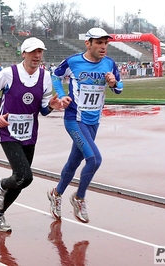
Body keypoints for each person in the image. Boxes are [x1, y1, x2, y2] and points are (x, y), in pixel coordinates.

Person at [0, 37, 64, 232]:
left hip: (29, 134)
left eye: (40, 52)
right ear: (23, 53)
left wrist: (51, 106)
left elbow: (43, 110)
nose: (37, 56)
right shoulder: (8, 74)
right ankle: (0, 185)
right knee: (25, 177)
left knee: (20, 180)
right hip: (8, 131)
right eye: (33, 52)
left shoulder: (45, 77)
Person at [47, 27, 124, 223]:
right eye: (99, 42)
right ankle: (79, 198)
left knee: (74, 162)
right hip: (74, 119)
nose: (103, 46)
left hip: (93, 121)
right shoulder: (73, 61)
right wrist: (62, 94)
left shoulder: (109, 64)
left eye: (106, 43)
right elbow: (56, 75)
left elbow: (119, 88)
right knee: (94, 159)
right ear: (88, 43)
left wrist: (114, 84)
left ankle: (56, 194)